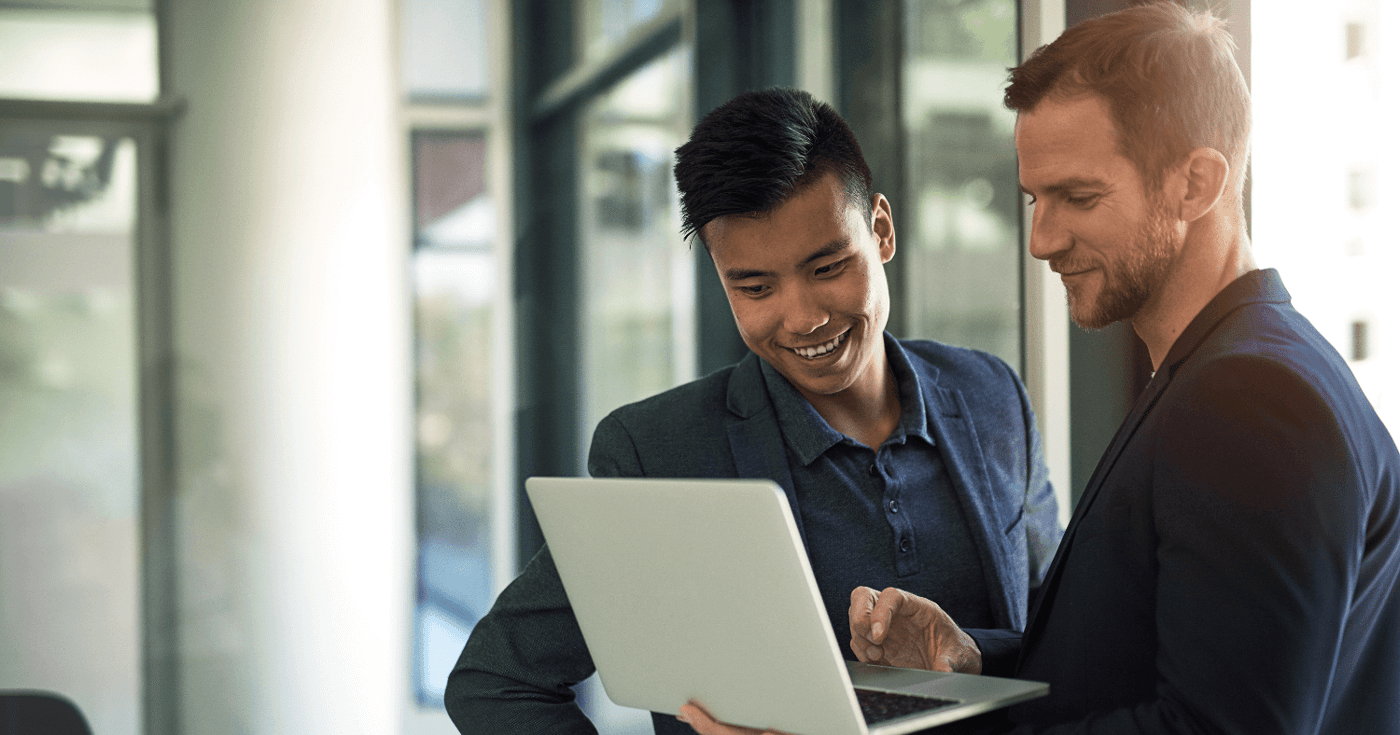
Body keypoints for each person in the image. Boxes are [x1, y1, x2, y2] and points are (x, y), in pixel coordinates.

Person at [842, 4, 1400, 734]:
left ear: (1196, 184)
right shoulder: (1229, 370)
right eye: (1035, 198)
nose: (1042, 240)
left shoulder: (1251, 400)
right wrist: (972, 660)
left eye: (1078, 196)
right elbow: (1150, 659)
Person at [445, 88, 1062, 735]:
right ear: (720, 277)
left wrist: (969, 656)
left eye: (827, 266)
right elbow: (495, 681)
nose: (802, 317)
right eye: (755, 287)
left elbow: (1066, 634)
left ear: (880, 230)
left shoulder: (992, 395)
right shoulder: (661, 454)